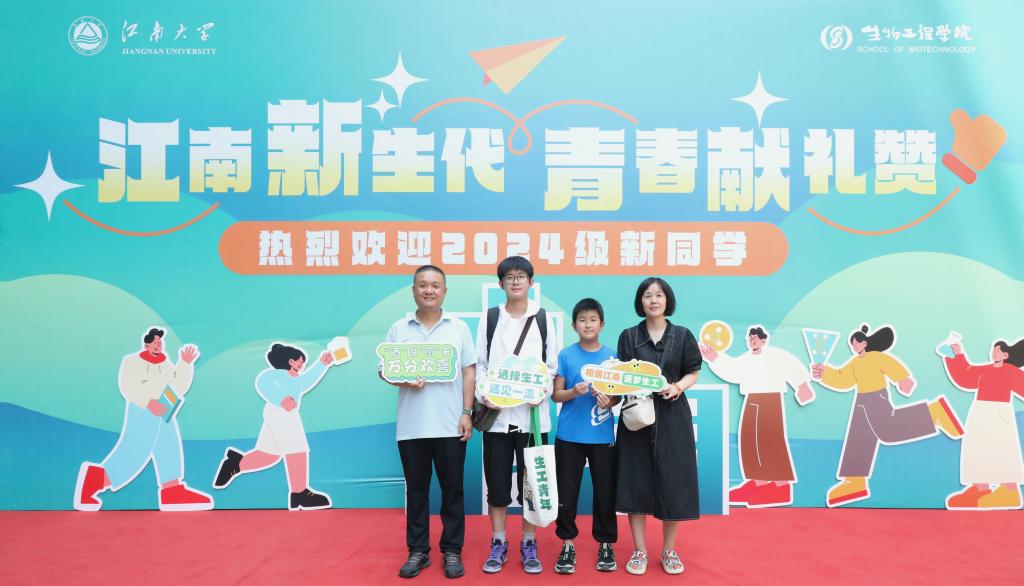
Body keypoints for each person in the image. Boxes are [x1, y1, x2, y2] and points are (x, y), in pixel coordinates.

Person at [380, 265, 477, 579]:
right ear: (414, 291)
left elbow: (469, 372)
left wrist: (467, 412)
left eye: (435, 285)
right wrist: (403, 379)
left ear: (444, 291)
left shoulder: (458, 328)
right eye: (423, 285)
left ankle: (452, 550)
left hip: (450, 424)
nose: (429, 290)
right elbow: (385, 370)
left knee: (453, 490)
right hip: (412, 427)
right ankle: (418, 550)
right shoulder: (399, 328)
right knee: (417, 491)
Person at [811, 324, 964, 507]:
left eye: (855, 343)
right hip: (862, 400)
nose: (853, 347)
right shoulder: (855, 362)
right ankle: (855, 480)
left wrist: (902, 379)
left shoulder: (876, 357)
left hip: (876, 397)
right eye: (852, 344)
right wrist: (824, 373)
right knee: (859, 437)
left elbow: (891, 365)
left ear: (864, 343)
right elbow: (842, 378)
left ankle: (934, 412)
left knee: (889, 430)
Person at [475, 256, 560, 575]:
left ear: (531, 282)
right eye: (509, 276)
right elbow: (480, 364)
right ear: (500, 283)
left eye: (521, 276)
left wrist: (542, 389)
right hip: (497, 420)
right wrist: (485, 394)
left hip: (532, 420)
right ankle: (498, 541)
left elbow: (551, 366)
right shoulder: (490, 318)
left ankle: (528, 542)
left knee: (532, 486)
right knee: (497, 487)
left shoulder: (542, 318)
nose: (515, 281)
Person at [615, 278, 700, 576]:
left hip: (673, 414)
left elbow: (693, 371)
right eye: (648, 295)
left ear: (667, 300)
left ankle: (669, 550)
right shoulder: (628, 336)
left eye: (659, 295)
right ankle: (639, 550)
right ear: (640, 301)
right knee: (635, 480)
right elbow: (622, 376)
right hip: (637, 417)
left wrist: (677, 387)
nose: (653, 300)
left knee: (673, 481)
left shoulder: (683, 335)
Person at [74, 327, 212, 511]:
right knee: (135, 451)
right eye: (155, 342)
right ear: (146, 344)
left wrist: (185, 364)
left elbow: (178, 385)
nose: (158, 345)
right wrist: (147, 402)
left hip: (164, 410)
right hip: (142, 410)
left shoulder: (165, 363)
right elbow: (127, 386)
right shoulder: (132, 361)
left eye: (160, 342)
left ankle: (172, 490)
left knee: (168, 446)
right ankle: (94, 481)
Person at [212, 342, 335, 511]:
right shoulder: (274, 374)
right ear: (290, 361)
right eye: (300, 361)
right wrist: (281, 399)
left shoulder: (297, 379)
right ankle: (299, 493)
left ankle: (236, 464)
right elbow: (263, 383)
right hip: (281, 412)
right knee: (296, 447)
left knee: (269, 454)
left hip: (282, 413)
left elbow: (307, 380)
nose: (302, 364)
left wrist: (322, 364)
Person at [700, 325, 814, 508]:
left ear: (763, 340)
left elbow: (791, 366)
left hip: (770, 400)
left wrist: (802, 385)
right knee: (749, 442)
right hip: (752, 399)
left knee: (771, 441)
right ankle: (758, 482)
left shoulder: (775, 356)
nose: (752, 340)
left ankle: (781, 487)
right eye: (750, 337)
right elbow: (732, 370)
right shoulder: (746, 359)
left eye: (755, 337)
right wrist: (715, 359)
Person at [551, 298, 618, 574]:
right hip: (569, 436)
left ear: (602, 324)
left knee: (605, 492)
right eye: (582, 320)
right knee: (566, 493)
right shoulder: (566, 355)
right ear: (573, 325)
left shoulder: (613, 357)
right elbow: (556, 394)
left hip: (602, 436)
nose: (588, 324)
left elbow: (618, 396)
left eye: (593, 320)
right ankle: (567, 544)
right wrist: (573, 392)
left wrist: (609, 401)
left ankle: (606, 544)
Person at [941, 337, 1024, 510]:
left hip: (1000, 414)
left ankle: (1008, 491)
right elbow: (966, 376)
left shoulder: (1011, 372)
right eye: (994, 350)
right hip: (980, 412)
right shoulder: (985, 370)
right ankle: (980, 489)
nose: (994, 353)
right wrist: (958, 354)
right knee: (977, 447)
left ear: (1006, 355)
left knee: (1002, 448)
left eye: (998, 351)